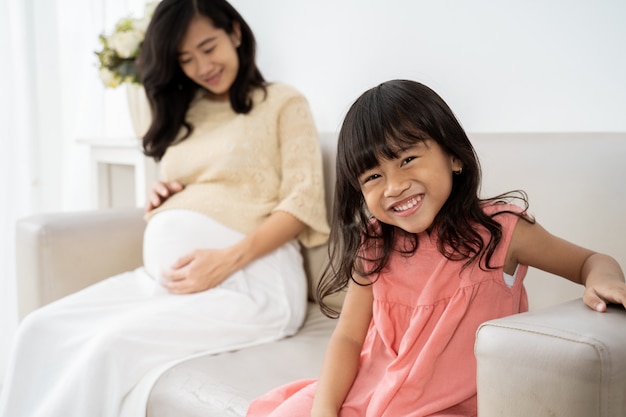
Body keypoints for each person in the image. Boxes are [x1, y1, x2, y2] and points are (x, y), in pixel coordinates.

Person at [0, 0, 329, 416]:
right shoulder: (189, 112)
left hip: (251, 283)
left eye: (208, 47)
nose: (201, 66)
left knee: (108, 347)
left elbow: (303, 202)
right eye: (185, 59)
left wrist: (225, 260)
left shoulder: (283, 102)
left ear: (235, 32)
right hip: (166, 282)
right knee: (38, 328)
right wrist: (165, 195)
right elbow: (204, 182)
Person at [245, 80, 626, 417]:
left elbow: (591, 261)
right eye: (374, 176)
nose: (394, 186)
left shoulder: (500, 231)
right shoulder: (374, 243)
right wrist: (324, 410)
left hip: (444, 407)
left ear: (454, 156)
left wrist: (602, 279)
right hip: (369, 392)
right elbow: (348, 337)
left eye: (408, 159)